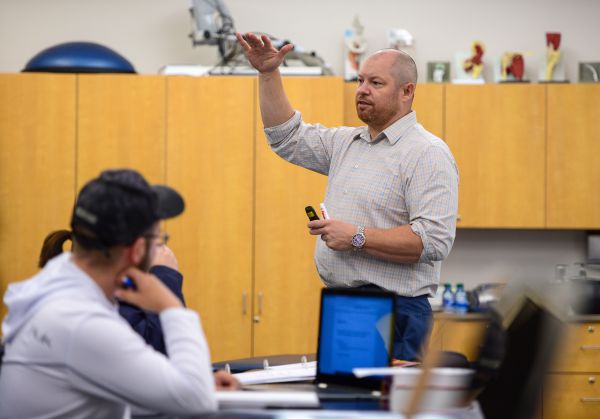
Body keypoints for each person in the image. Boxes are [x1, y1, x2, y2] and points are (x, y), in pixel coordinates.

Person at [236, 33, 459, 361]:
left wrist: (356, 237)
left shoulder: (427, 153)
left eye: (376, 83)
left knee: (381, 411)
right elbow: (286, 137)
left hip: (396, 311)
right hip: (345, 306)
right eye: (360, 80)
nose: (362, 90)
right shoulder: (348, 143)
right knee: (343, 405)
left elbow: (433, 242)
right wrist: (268, 74)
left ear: (407, 91)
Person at [0, 169, 221, 418]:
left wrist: (172, 384)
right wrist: (170, 306)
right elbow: (197, 401)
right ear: (138, 250)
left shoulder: (55, 287)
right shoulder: (81, 322)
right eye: (160, 238)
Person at [36, 229, 239, 391]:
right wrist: (165, 277)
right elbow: (161, 361)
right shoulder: (91, 311)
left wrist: (205, 377)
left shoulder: (118, 291)